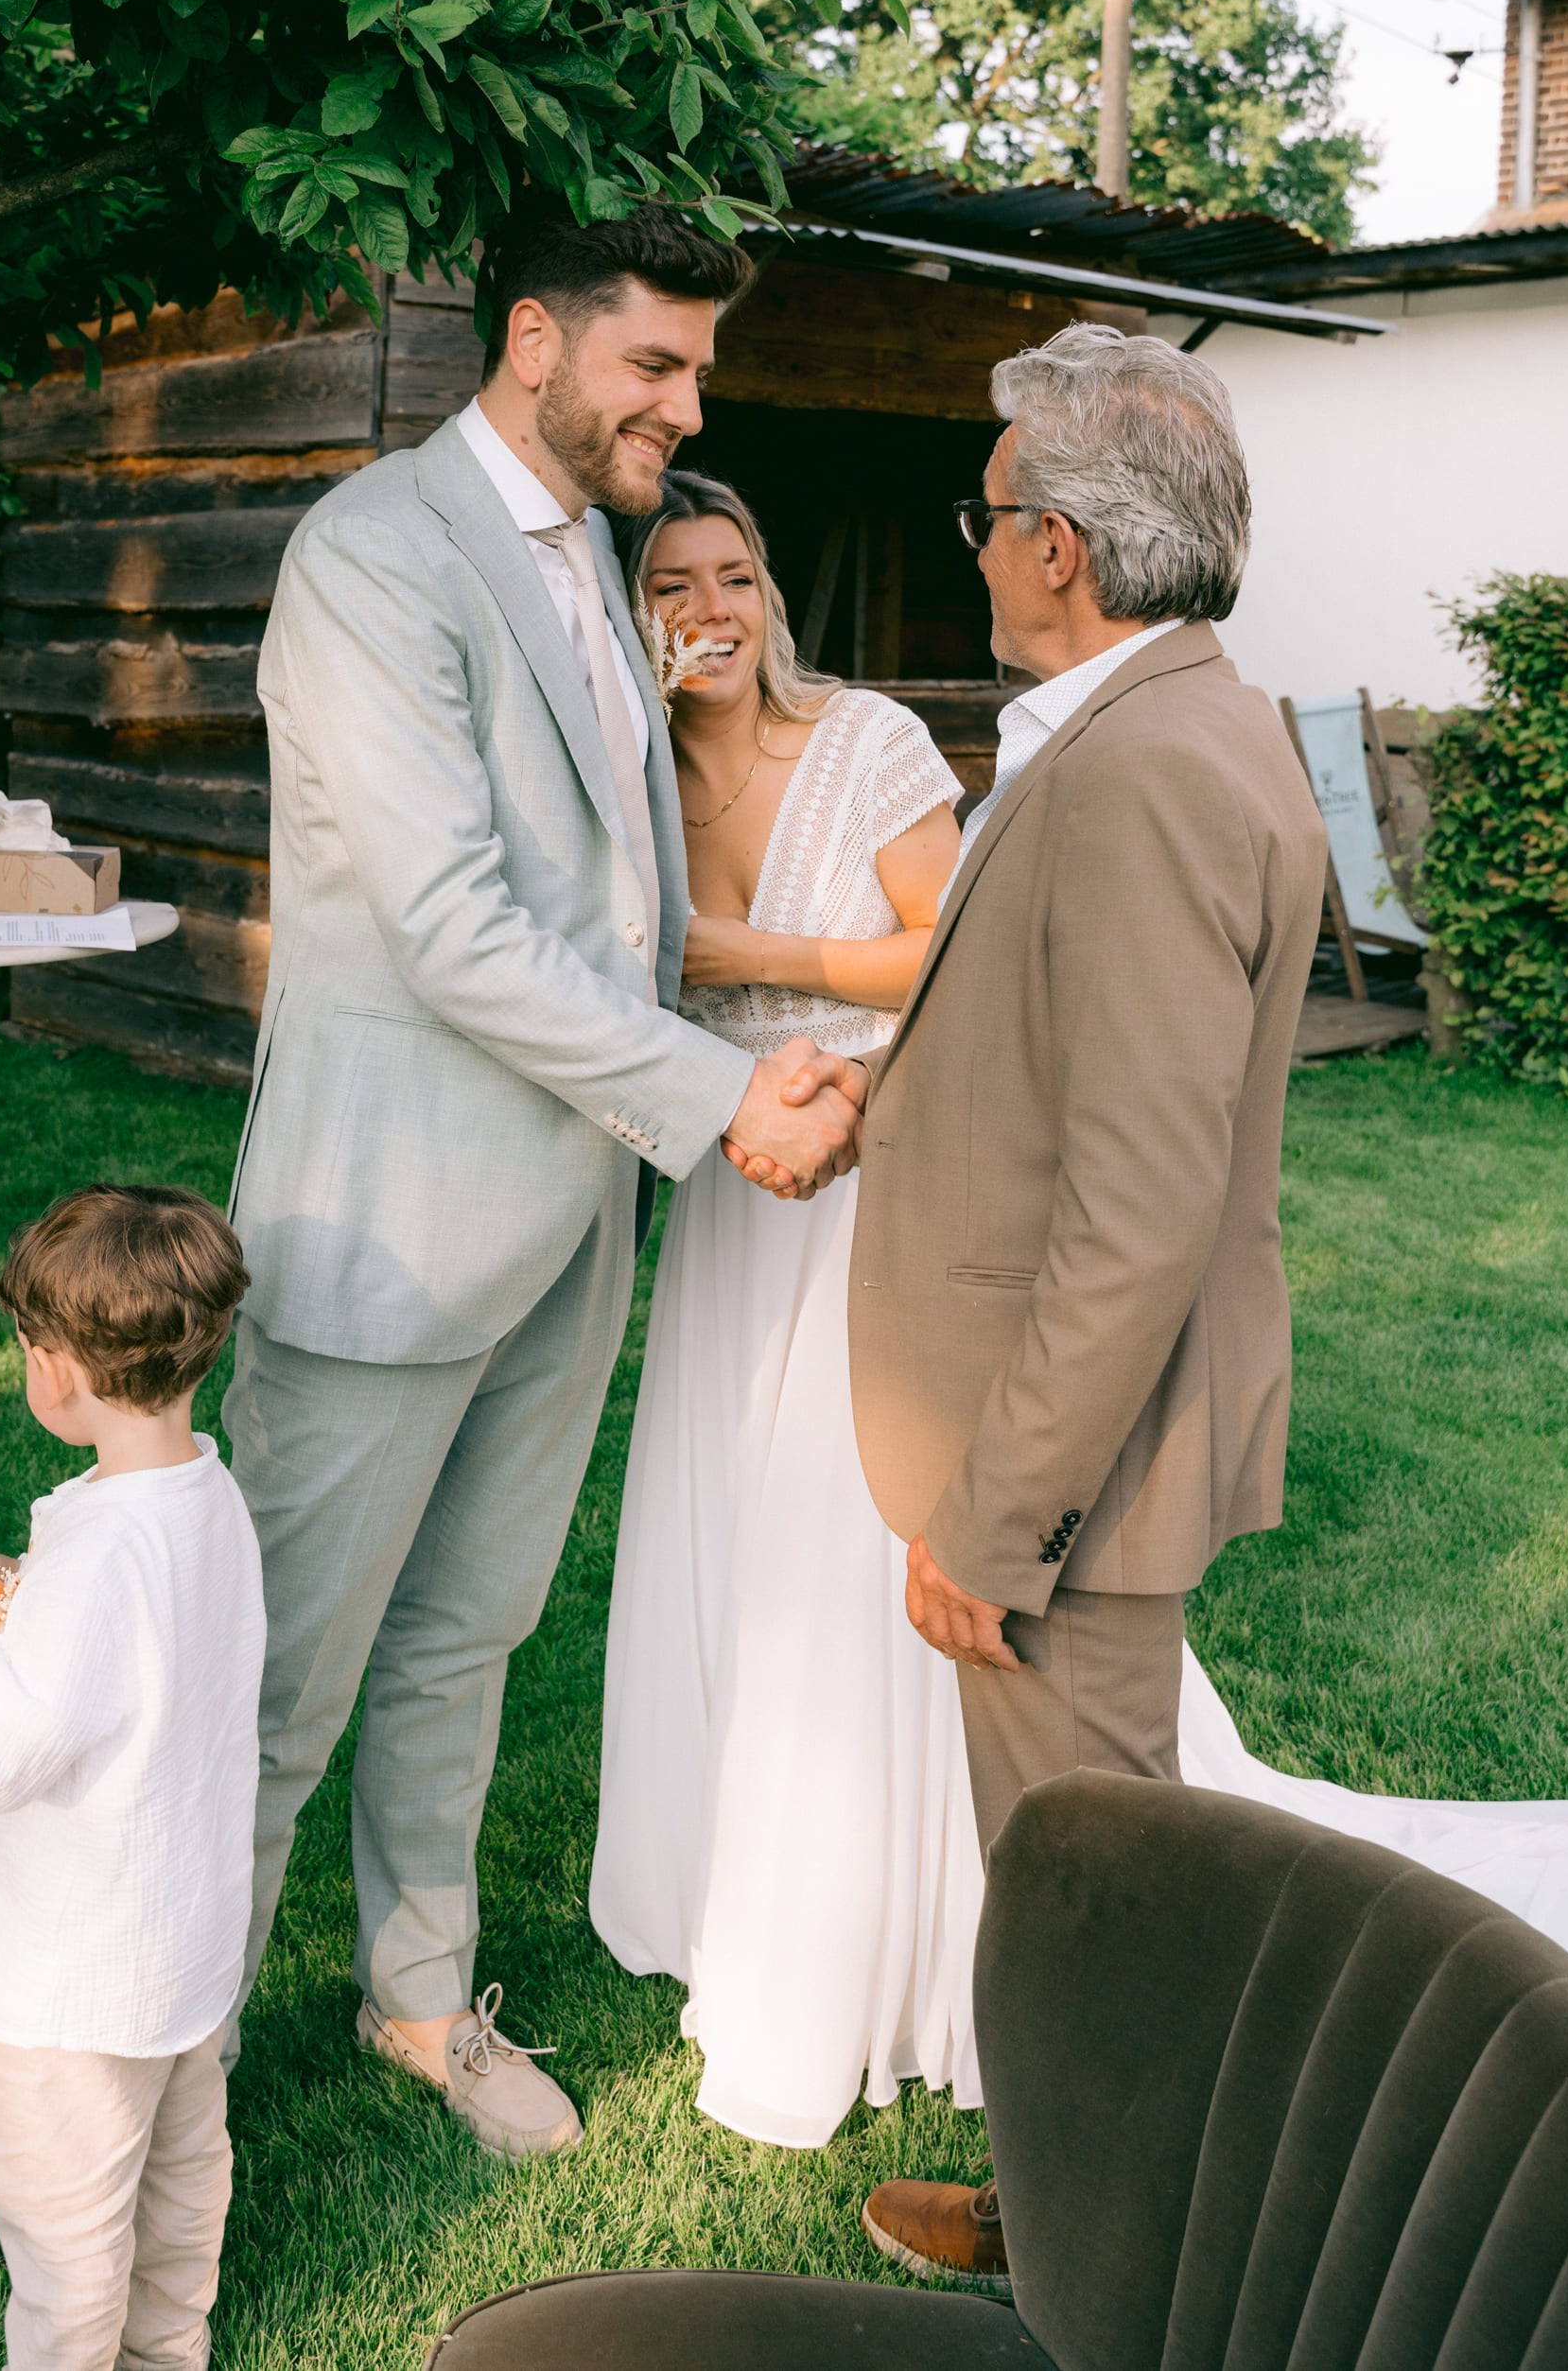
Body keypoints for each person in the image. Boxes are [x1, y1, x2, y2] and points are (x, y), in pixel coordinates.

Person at [224, 204, 867, 2164]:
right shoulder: (373, 555)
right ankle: (167, 2063)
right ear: (532, 340)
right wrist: (725, 1097)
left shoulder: (595, 552)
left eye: (698, 369)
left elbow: (619, 891)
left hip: (573, 1216)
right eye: (654, 364)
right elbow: (447, 925)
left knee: (466, 1634)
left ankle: (418, 1999)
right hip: (390, 1214)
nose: (689, 405)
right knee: (275, 1678)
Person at [852, 323, 1327, 2290]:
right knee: (1089, 1867)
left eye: (982, 518)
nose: (972, 548)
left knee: (1090, 1891)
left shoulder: (1142, 771)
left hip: (1069, 1466)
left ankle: (1110, 2269)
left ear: (1055, 545)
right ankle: (1079, 2207)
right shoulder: (1179, 726)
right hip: (1084, 1439)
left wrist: (997, 1514)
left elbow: (1137, 1207)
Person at [589, 470, 982, 2145]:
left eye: (736, 575)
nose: (714, 612)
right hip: (726, 1186)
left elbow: (952, 942)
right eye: (673, 584)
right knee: (723, 1524)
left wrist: (759, 959)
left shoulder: (869, 737)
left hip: (869, 1169)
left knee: (839, 1535)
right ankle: (711, 1875)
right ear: (633, 616)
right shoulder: (619, 785)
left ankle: (866, 1919)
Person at [0, 1183, 263, 2371]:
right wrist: (22, 1592)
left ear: (53, 1371)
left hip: (82, 1977)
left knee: (68, 2233)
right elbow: (138, 1667)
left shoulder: (101, 1554)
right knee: (182, 2181)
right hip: (183, 1948)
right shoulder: (207, 1491)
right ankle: (167, 2352)